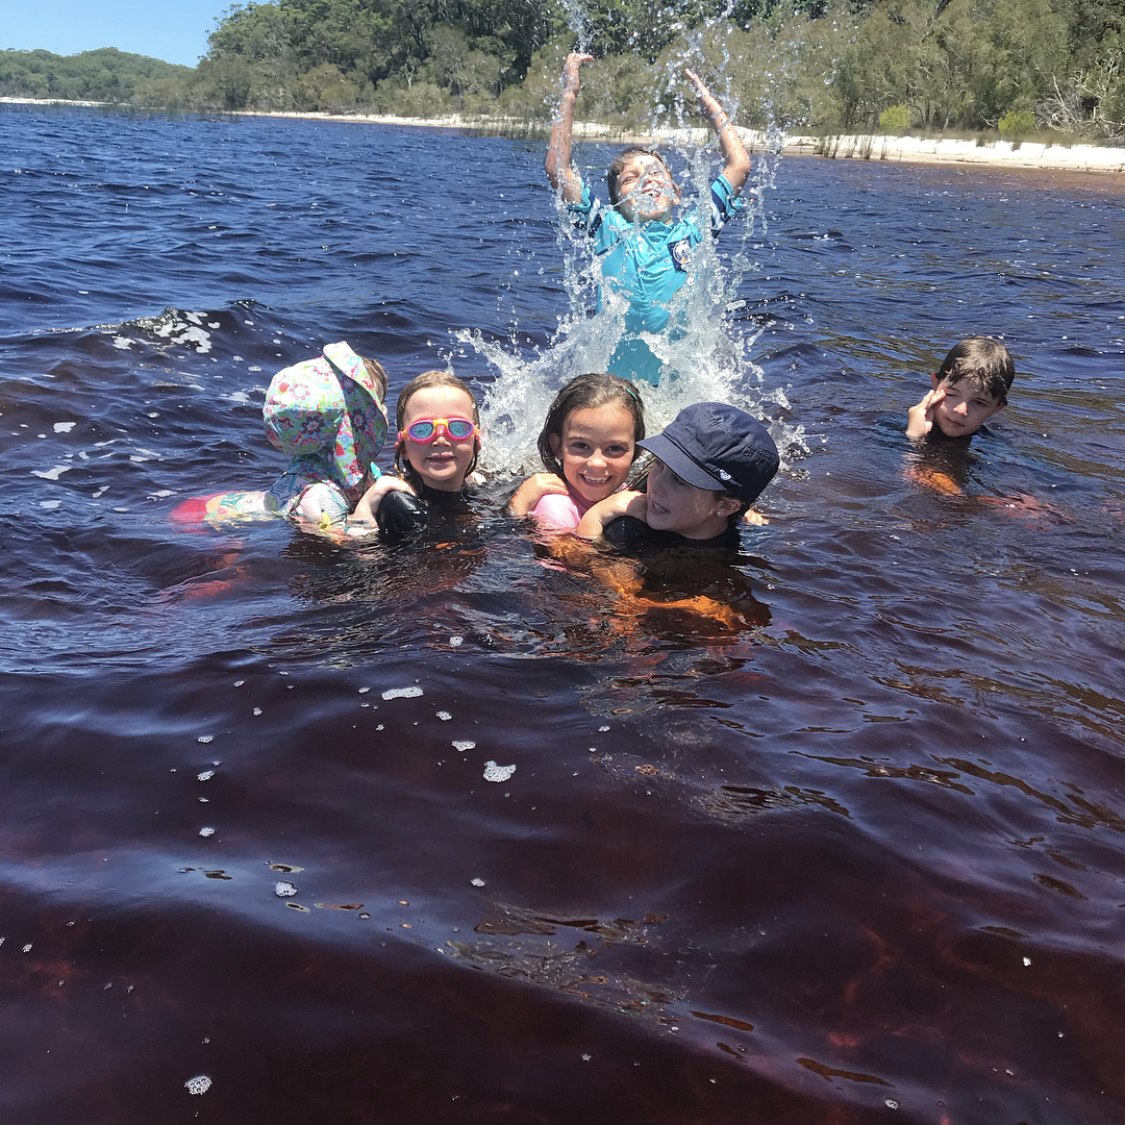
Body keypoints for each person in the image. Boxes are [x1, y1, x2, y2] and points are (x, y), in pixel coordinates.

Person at [545, 53, 751, 387]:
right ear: (617, 203)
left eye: (656, 172)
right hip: (615, 389)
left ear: (676, 192)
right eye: (631, 178)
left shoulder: (695, 231)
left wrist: (711, 108)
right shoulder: (607, 228)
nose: (647, 180)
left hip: (676, 388)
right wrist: (569, 94)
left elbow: (739, 165)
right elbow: (558, 170)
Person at [170, 342, 388, 534]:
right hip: (205, 520)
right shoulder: (318, 496)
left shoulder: (359, 469)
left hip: (224, 504)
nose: (385, 410)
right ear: (351, 423)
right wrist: (366, 509)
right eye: (375, 407)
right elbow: (342, 541)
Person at [576, 401, 778, 549]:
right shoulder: (625, 533)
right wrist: (594, 518)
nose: (656, 487)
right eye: (658, 464)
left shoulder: (755, 540)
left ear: (725, 507)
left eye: (679, 481)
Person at [349, 369, 481, 537]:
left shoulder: (480, 488)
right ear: (403, 448)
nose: (441, 440)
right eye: (422, 429)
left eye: (458, 427)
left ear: (476, 443)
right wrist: (365, 510)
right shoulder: (397, 506)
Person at [507, 372, 645, 532]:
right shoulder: (554, 507)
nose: (597, 463)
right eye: (581, 445)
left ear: (637, 451)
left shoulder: (628, 493)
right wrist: (595, 517)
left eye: (615, 448)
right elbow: (567, 550)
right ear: (558, 447)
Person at [906, 337, 1015, 441]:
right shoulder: (899, 422)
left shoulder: (995, 444)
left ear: (996, 409)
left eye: (979, 402)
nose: (961, 410)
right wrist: (914, 436)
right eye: (951, 394)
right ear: (936, 383)